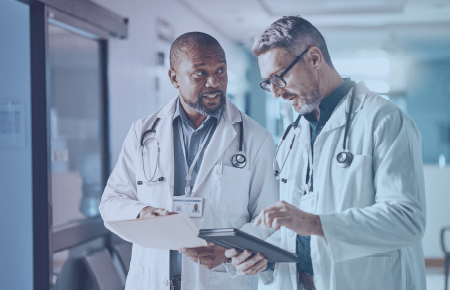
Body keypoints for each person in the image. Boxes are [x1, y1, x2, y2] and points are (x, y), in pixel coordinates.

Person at [225, 16, 427, 290]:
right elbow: (296, 231)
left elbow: (407, 220)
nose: (275, 93)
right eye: (267, 83)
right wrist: (264, 256)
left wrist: (314, 223)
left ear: (315, 58)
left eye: (279, 78)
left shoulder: (384, 120)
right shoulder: (293, 135)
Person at [99, 32, 279, 290]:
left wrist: (230, 251)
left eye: (220, 70)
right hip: (151, 281)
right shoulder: (142, 132)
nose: (213, 82)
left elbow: (268, 221)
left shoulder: (255, 139)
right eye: (200, 73)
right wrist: (143, 213)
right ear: (174, 78)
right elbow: (112, 202)